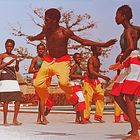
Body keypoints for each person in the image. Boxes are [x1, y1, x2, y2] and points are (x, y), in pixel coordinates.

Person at [27, 8, 117, 125]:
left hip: (62, 61)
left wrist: (103, 45)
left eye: (47, 19)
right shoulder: (46, 29)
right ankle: (48, 102)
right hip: (49, 60)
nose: (45, 21)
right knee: (37, 83)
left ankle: (74, 98)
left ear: (55, 20)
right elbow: (41, 35)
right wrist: (33, 38)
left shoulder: (65, 32)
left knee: (63, 83)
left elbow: (83, 41)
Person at [109, 5, 140, 140]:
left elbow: (132, 47)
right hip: (128, 62)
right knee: (116, 93)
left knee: (129, 96)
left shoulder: (129, 30)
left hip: (133, 62)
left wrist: (121, 59)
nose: (115, 17)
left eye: (117, 14)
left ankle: (135, 134)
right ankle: (136, 123)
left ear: (124, 16)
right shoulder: (132, 30)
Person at [28, 43, 53, 124]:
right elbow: (30, 70)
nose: (41, 51)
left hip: (44, 79)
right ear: (37, 50)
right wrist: (39, 71)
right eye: (39, 49)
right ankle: (44, 118)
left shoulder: (46, 59)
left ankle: (39, 119)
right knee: (42, 98)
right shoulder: (35, 59)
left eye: (42, 49)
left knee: (41, 99)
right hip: (37, 79)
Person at [83, 46, 110, 123]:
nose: (101, 51)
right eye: (99, 49)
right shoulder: (91, 59)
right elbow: (91, 71)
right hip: (88, 81)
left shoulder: (97, 59)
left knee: (100, 97)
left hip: (96, 81)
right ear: (94, 50)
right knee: (87, 100)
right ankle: (86, 117)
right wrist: (103, 77)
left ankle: (98, 116)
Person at [0, 39, 22, 126]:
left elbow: (16, 69)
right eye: (8, 46)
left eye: (11, 46)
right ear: (5, 46)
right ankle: (5, 120)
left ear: (13, 47)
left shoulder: (15, 56)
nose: (9, 47)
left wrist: (17, 63)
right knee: (6, 100)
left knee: (18, 99)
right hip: (5, 78)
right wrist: (8, 63)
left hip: (13, 79)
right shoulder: (2, 55)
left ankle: (15, 119)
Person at [70, 53, 86, 124]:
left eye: (80, 57)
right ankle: (82, 119)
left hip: (78, 85)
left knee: (78, 102)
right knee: (81, 100)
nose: (79, 59)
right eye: (77, 58)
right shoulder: (75, 66)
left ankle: (77, 119)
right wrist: (80, 77)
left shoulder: (79, 66)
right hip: (74, 85)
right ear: (74, 59)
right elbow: (70, 75)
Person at [113, 55, 129, 123]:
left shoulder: (126, 56)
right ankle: (117, 117)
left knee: (127, 99)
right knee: (118, 99)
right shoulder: (121, 57)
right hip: (120, 78)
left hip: (125, 78)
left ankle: (127, 116)